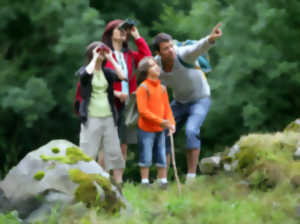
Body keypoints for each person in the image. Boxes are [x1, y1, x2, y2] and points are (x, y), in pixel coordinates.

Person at [153, 23, 222, 182]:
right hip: (179, 102)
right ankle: (163, 178)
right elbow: (156, 82)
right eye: (166, 48)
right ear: (158, 53)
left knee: (191, 131)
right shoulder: (156, 65)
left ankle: (191, 177)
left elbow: (198, 47)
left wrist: (210, 39)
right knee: (163, 133)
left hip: (200, 99)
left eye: (171, 46)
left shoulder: (183, 54)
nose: (171, 50)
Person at [100, 19, 152, 168]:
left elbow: (148, 60)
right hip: (109, 104)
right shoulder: (103, 54)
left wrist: (137, 36)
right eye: (119, 28)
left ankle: (118, 183)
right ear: (110, 33)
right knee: (106, 146)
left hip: (127, 105)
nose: (123, 31)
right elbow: (97, 78)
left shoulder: (129, 55)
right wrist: (115, 92)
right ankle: (101, 180)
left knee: (123, 146)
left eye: (125, 29)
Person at [76, 41, 127, 184]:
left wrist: (111, 58)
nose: (101, 54)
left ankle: (116, 183)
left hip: (109, 116)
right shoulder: (85, 70)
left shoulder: (107, 73)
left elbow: (122, 76)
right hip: (91, 116)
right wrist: (94, 58)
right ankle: (86, 182)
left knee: (112, 151)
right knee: (88, 150)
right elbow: (86, 75)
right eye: (98, 51)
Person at [135, 56, 175, 188]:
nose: (157, 67)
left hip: (161, 129)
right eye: (153, 65)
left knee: (162, 154)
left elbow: (167, 108)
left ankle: (163, 181)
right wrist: (161, 122)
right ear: (146, 70)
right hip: (146, 129)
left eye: (156, 64)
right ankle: (145, 182)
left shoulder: (162, 88)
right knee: (146, 155)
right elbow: (143, 111)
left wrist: (171, 123)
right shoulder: (143, 88)